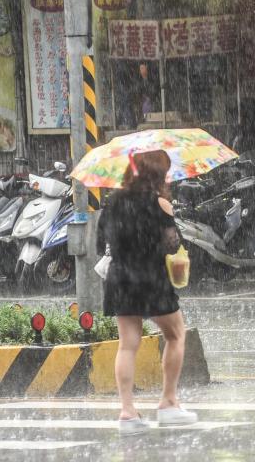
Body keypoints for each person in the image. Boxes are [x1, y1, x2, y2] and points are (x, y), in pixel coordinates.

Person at [97, 150, 197, 435]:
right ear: (158, 175)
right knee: (176, 334)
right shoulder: (161, 204)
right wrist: (169, 218)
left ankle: (127, 412)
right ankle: (168, 402)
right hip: (151, 279)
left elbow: (100, 243)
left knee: (127, 344)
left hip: (120, 280)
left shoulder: (113, 203)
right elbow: (172, 245)